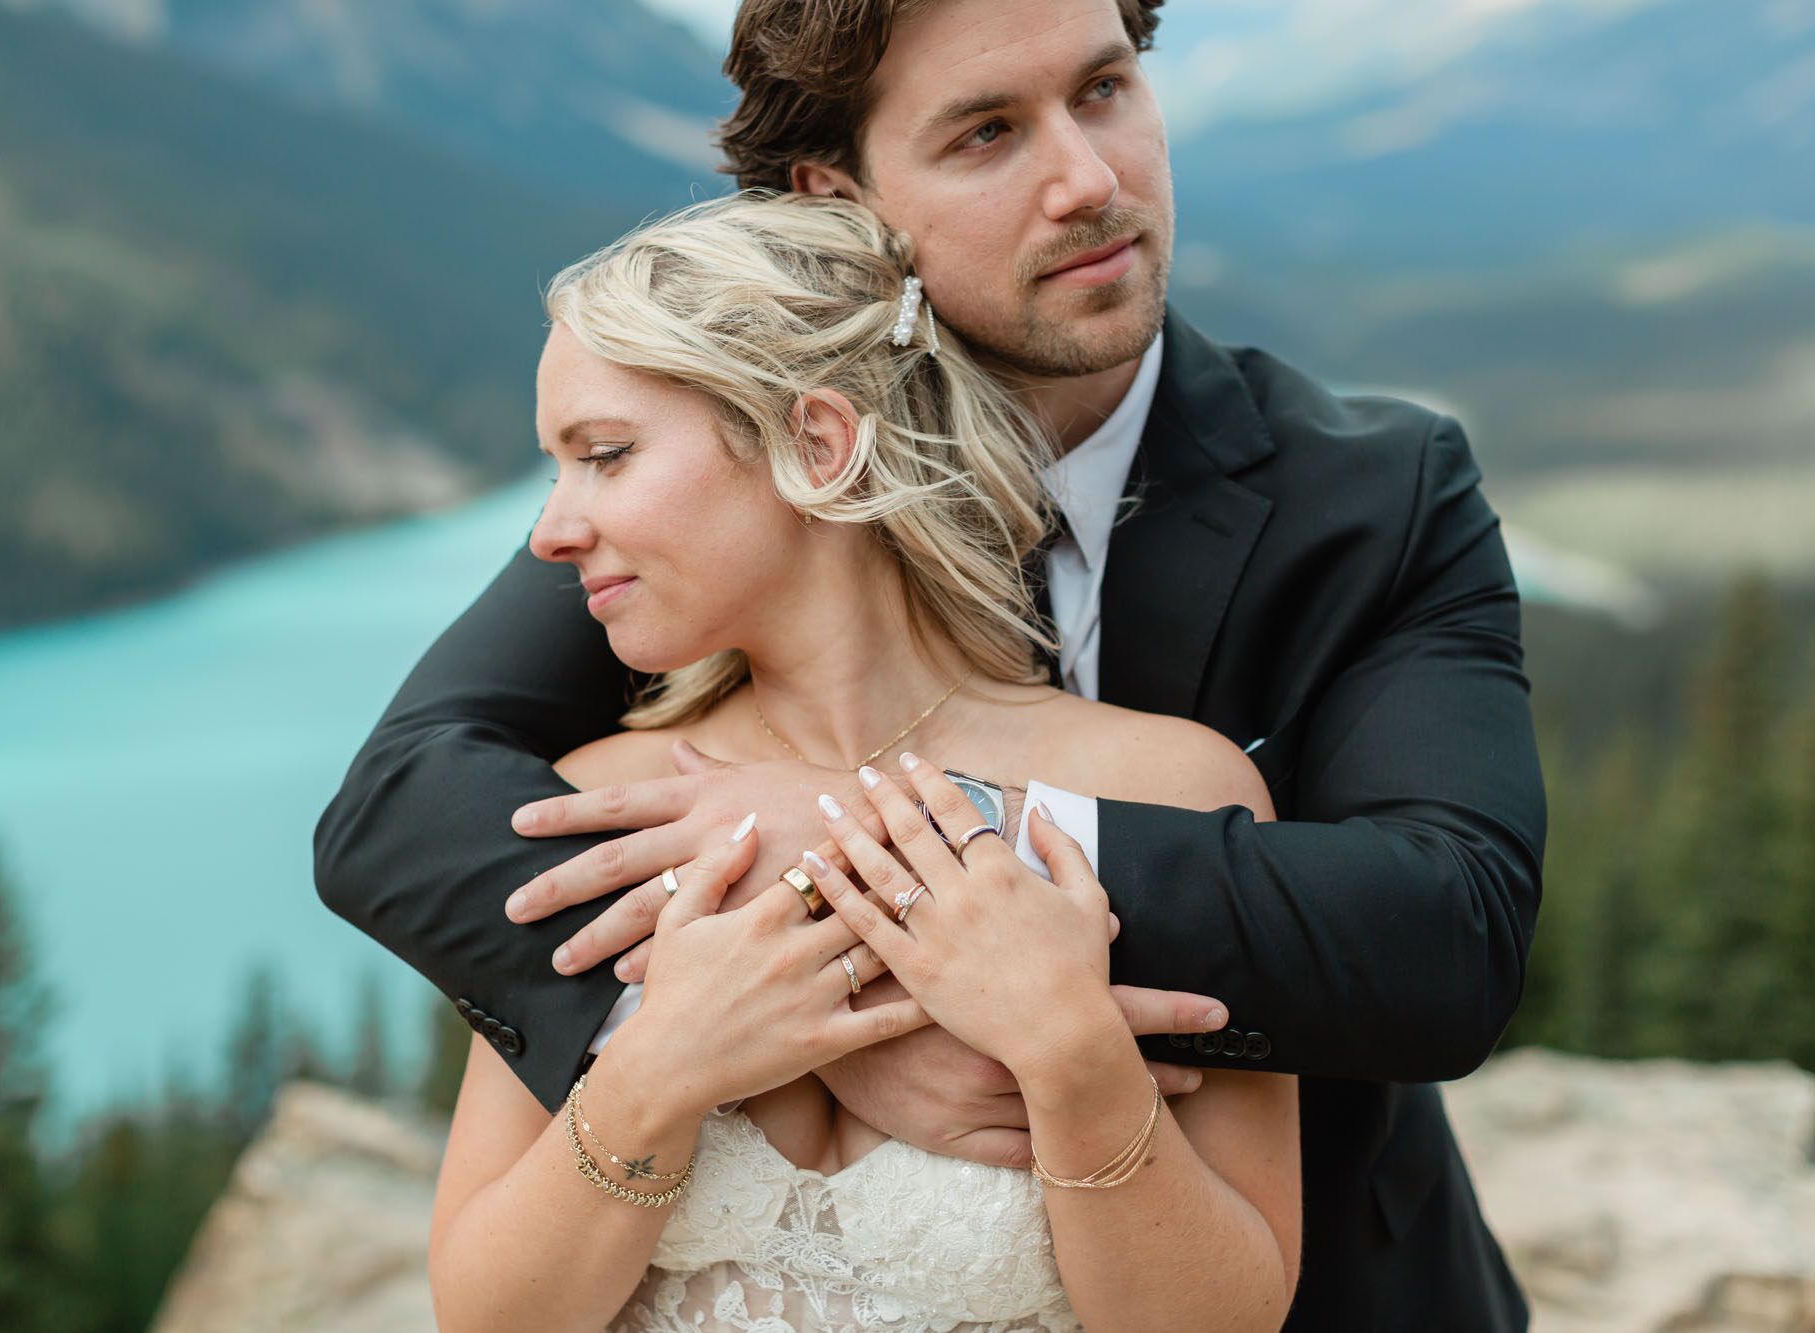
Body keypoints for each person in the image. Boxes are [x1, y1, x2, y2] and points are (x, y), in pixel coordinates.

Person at [318, 0, 1544, 1325]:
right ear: (837, 198)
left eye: (1107, 91)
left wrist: (928, 841)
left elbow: (1451, 931)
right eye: (986, 133)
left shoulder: (1374, 494)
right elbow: (397, 809)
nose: (1089, 178)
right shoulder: (730, 483)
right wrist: (824, 1014)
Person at [429, 190, 1300, 1333]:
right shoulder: (598, 808)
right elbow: (485, 1319)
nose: (550, 529)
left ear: (817, 443)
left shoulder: (1170, 798)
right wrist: (659, 1074)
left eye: (604, 456)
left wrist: (1072, 1058)